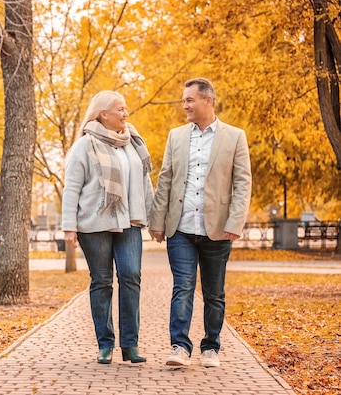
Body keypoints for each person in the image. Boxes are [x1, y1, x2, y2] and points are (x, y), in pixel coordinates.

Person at [148, 77, 252, 368]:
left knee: (214, 293)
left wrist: (236, 221)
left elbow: (243, 182)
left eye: (190, 100)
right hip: (180, 228)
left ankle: (211, 347)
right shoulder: (176, 136)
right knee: (182, 287)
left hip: (217, 229)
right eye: (184, 100)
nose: (185, 105)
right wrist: (157, 220)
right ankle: (180, 346)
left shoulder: (235, 136)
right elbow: (165, 179)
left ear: (208, 100)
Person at [62, 90, 154, 364]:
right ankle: (105, 344)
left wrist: (154, 217)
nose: (126, 114)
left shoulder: (133, 141)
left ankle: (131, 344)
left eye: (125, 109)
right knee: (101, 282)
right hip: (94, 224)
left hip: (129, 223)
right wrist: (69, 226)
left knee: (131, 276)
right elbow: (72, 188)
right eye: (120, 109)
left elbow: (145, 181)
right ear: (103, 114)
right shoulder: (85, 145)